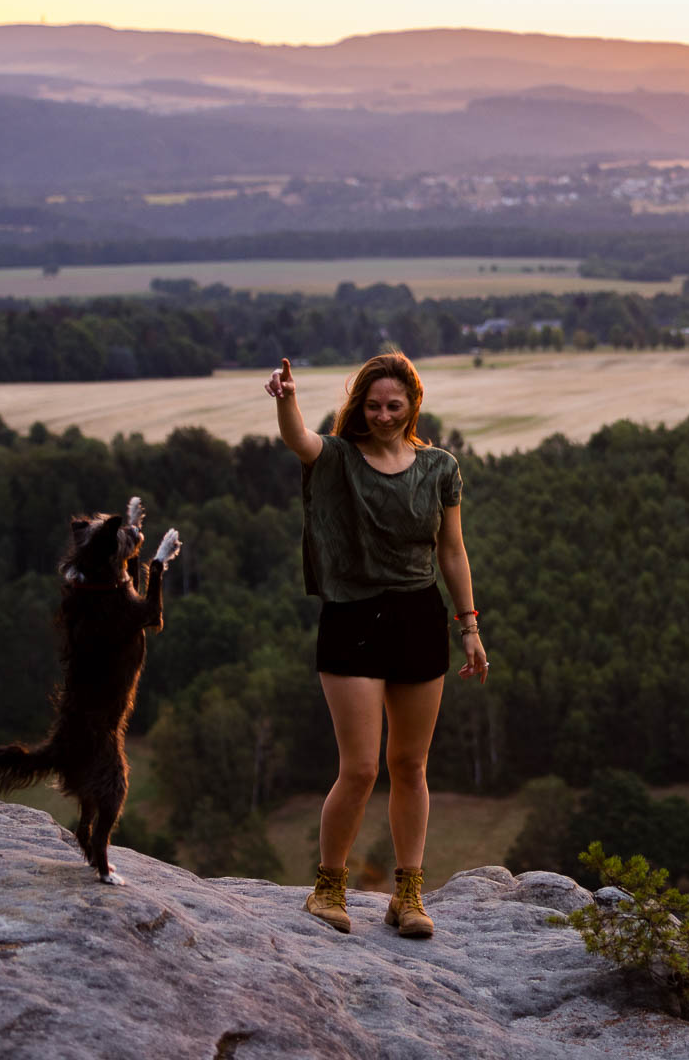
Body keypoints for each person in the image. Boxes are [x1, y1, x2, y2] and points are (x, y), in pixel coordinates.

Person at [265, 351, 487, 939]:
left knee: (410, 766)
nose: (384, 415)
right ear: (359, 406)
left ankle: (407, 894)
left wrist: (469, 626)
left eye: (395, 404)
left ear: (414, 404)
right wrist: (287, 400)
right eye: (373, 405)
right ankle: (328, 887)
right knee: (361, 768)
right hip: (352, 618)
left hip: (419, 617)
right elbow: (300, 443)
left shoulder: (440, 467)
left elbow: (452, 551)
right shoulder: (338, 458)